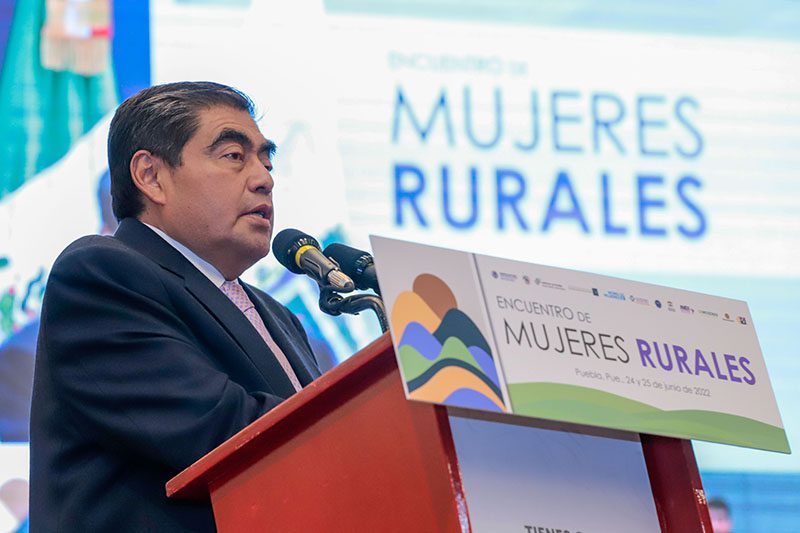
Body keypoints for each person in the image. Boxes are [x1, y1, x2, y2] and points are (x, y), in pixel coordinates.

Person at [29, 82, 321, 531]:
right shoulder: (101, 275)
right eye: (234, 156)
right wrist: (369, 433)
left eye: (266, 160)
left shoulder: (279, 317)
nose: (264, 178)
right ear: (151, 176)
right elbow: (217, 429)